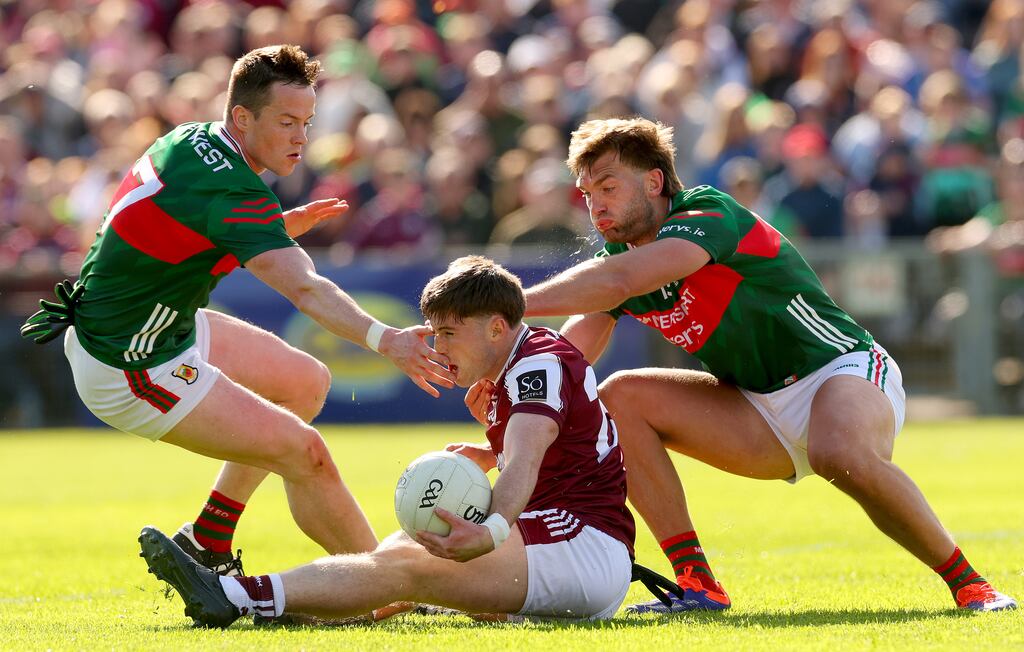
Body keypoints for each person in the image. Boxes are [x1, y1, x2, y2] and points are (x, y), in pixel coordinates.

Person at [515, 117, 1017, 613]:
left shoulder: (707, 212)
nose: (595, 203)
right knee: (618, 397)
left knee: (837, 450)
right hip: (755, 408)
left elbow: (617, 281)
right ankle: (698, 585)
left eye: (607, 186)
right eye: (586, 193)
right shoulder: (620, 257)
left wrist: (504, 303)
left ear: (654, 181)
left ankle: (971, 585)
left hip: (841, 370)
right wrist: (511, 433)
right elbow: (567, 361)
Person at [20, 45, 454, 574]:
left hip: (149, 324)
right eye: (286, 121)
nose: (301, 137)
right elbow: (307, 290)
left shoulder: (191, 139)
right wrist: (386, 340)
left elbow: (185, 235)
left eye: (308, 122)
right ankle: (388, 587)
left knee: (305, 383)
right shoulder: (233, 189)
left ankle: (208, 539)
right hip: (128, 361)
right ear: (242, 118)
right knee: (307, 455)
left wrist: (277, 227)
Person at [136, 256, 637, 626]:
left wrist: (490, 533)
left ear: (496, 328)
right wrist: (489, 452)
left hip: (582, 545)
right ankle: (297, 610)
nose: (438, 347)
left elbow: (526, 461)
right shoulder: (520, 363)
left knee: (406, 566)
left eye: (448, 333)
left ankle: (235, 595)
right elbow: (563, 444)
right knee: (399, 551)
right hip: (564, 538)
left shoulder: (535, 364)